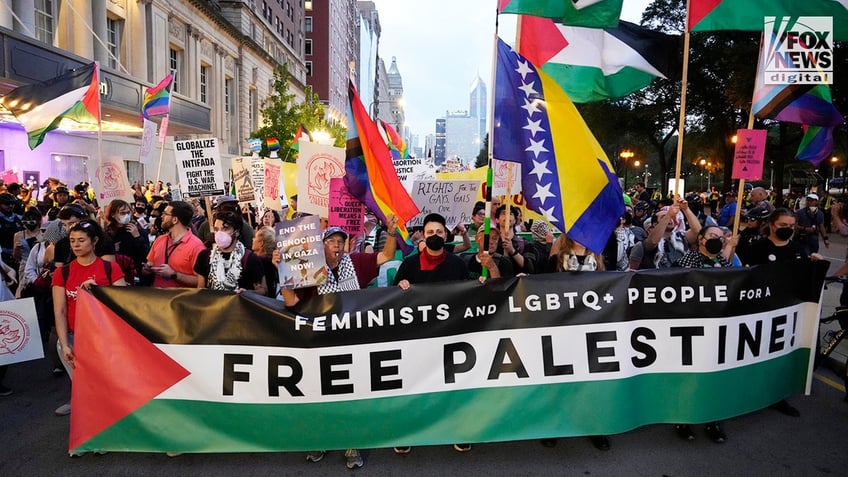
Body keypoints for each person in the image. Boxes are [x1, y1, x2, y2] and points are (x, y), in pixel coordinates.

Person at [278, 215, 398, 469]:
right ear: (321, 246)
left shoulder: (355, 262)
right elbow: (290, 303)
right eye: (331, 240)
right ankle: (322, 440)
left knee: (351, 395)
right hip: (319, 342)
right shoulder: (308, 268)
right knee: (320, 394)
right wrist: (285, 271)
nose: (336, 245)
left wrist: (391, 233)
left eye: (340, 241)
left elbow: (385, 256)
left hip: (352, 341)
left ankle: (352, 443)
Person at [393, 213, 471, 454]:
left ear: (446, 235)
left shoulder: (458, 265)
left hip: (450, 335)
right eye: (430, 233)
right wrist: (400, 288)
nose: (435, 236)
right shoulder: (409, 264)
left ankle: (458, 430)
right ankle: (408, 432)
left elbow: (469, 296)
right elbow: (392, 299)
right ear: (423, 238)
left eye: (439, 232)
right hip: (417, 336)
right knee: (414, 385)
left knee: (452, 386)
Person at [743, 208, 822, 417]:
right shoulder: (757, 248)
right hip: (760, 312)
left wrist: (815, 265)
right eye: (782, 226)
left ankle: (776, 395)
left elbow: (805, 282)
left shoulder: (798, 250)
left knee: (779, 356)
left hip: (786, 315)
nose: (787, 230)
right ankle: (749, 393)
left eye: (790, 226)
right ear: (771, 224)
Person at [541, 234, 611, 451]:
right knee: (560, 381)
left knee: (591, 381)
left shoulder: (599, 261)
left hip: (591, 330)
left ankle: (594, 426)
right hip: (562, 329)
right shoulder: (555, 261)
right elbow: (539, 286)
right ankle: (555, 426)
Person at [53, 220, 127, 416]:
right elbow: (59, 310)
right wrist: (64, 343)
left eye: (81, 240)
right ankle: (86, 418)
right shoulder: (63, 272)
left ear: (94, 241)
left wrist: (100, 291)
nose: (76, 245)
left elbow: (125, 304)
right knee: (81, 385)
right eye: (72, 241)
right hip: (72, 337)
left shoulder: (110, 269)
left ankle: (107, 424)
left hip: (105, 338)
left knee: (104, 386)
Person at [195, 210, 266, 294]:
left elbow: (263, 290)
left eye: (225, 229)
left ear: (236, 232)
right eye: (216, 229)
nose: (219, 233)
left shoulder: (249, 258)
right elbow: (200, 289)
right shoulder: (205, 256)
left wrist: (248, 293)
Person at [144, 201, 206, 288]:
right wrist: (147, 269)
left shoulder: (196, 246)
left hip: (180, 300)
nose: (162, 216)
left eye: (165, 214)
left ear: (175, 220)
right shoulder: (160, 240)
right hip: (157, 298)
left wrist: (174, 275)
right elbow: (150, 263)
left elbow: (201, 281)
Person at [103, 199, 150, 285]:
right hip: (116, 276)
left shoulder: (138, 231)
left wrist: (137, 237)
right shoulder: (107, 234)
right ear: (113, 214)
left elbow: (147, 255)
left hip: (136, 275)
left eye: (128, 212)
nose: (126, 216)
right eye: (122, 213)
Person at [794, 193, 828, 257]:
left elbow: (821, 226)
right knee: (806, 256)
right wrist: (805, 228)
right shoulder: (799, 212)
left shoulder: (820, 214)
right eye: (807, 200)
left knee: (813, 256)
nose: (809, 202)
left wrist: (825, 239)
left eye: (811, 201)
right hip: (802, 238)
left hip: (814, 239)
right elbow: (794, 225)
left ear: (816, 202)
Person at [252, 226, 280, 298]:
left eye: (255, 237)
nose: (253, 239)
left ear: (261, 243)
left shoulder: (259, 261)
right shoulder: (273, 260)